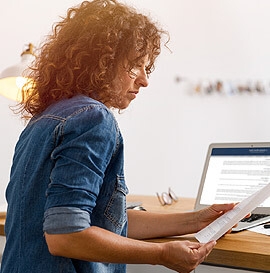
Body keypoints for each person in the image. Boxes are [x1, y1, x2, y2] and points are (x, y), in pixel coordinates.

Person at [0, 1, 236, 272]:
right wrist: (162, 254)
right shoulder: (93, 119)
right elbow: (65, 235)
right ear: (102, 60)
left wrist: (196, 221)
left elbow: (102, 220)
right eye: (136, 66)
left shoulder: (43, 120)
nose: (145, 80)